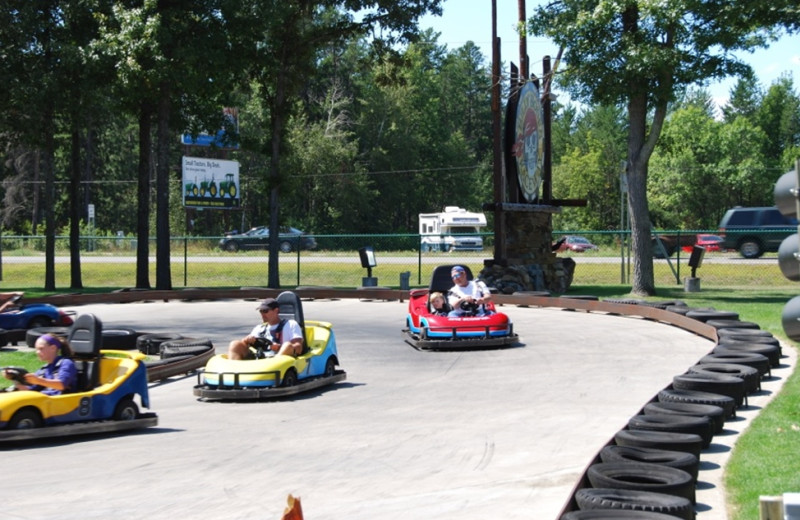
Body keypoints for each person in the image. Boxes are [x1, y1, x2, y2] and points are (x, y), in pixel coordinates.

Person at [228, 298, 305, 360]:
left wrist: (280, 348)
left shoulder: (291, 324)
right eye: (261, 311)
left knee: (287, 345)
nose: (262, 314)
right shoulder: (259, 328)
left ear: (276, 311)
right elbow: (243, 345)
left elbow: (299, 347)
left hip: (281, 361)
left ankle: (274, 368)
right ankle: (233, 373)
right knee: (235, 344)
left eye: (265, 311)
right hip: (261, 359)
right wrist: (247, 340)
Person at [3, 334, 77, 395]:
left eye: (41, 349)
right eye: (36, 349)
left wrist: (39, 380)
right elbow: (33, 388)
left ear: (53, 348)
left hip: (60, 402)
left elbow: (61, 385)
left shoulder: (66, 363)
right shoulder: (45, 369)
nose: (37, 352)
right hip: (44, 401)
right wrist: (15, 378)